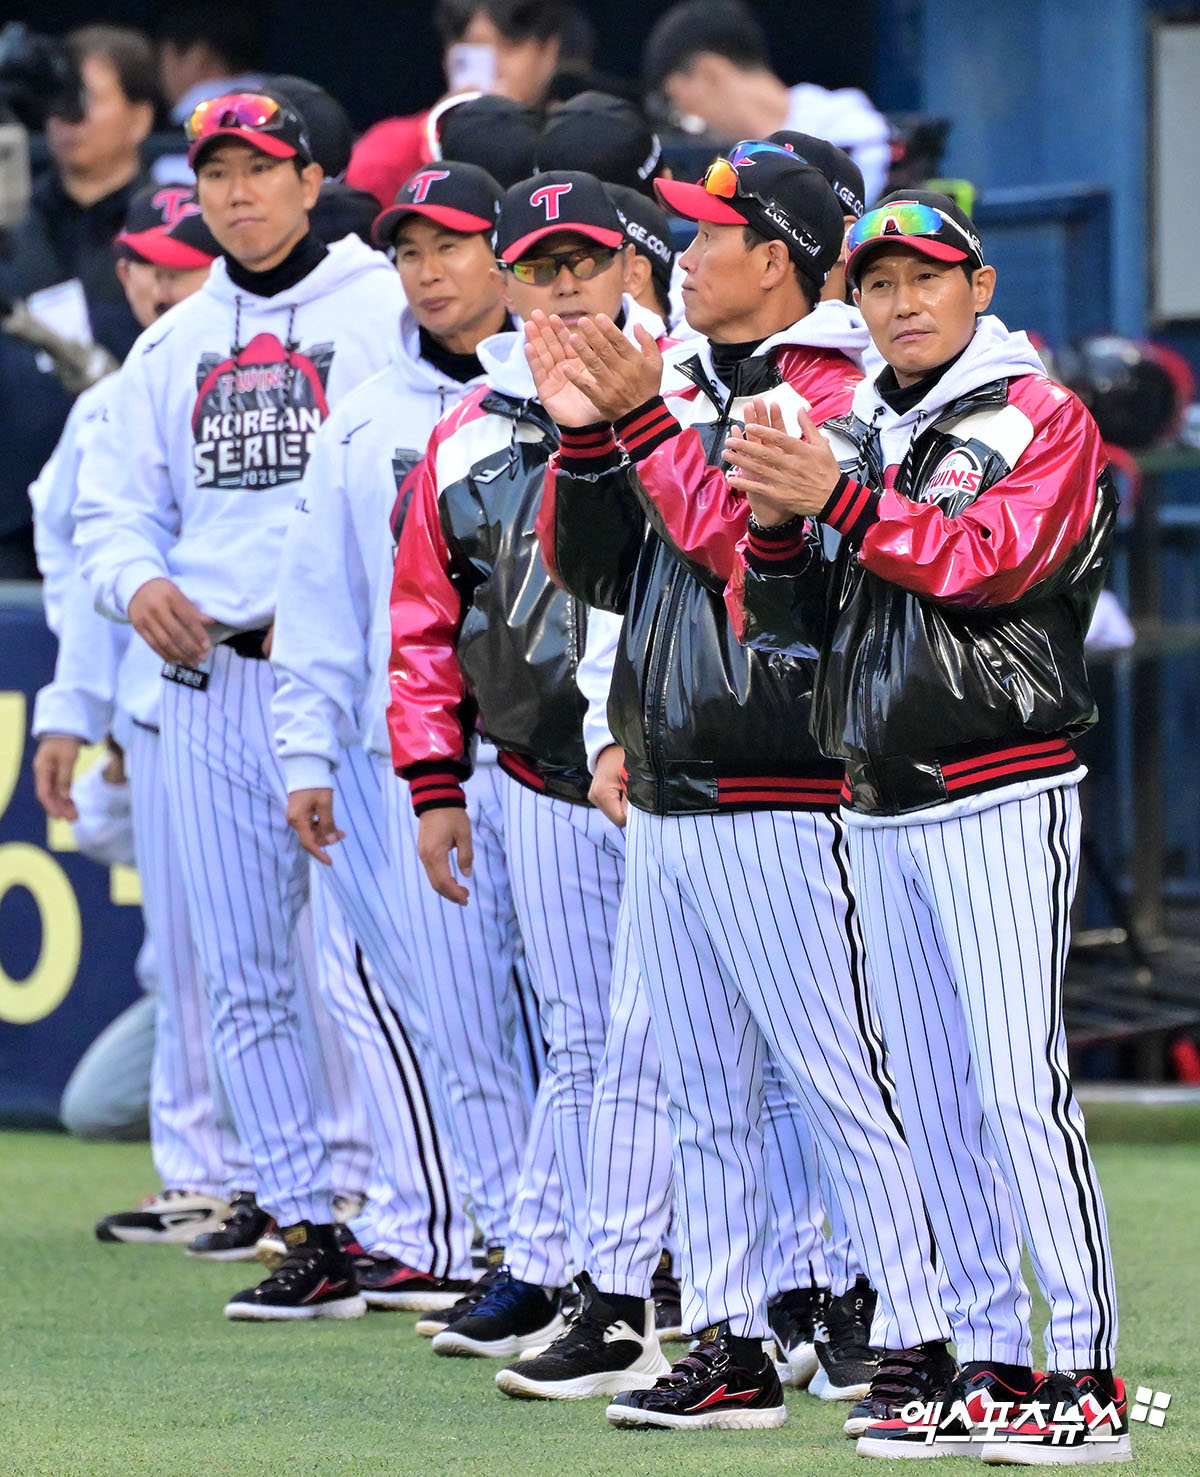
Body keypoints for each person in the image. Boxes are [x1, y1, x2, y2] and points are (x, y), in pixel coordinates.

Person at [528, 144, 954, 1432]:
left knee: (839, 1074)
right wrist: (586, 438)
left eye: (709, 235)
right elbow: (602, 574)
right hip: (672, 777)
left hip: (788, 778)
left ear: (775, 258)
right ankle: (727, 1340)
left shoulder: (833, 385)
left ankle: (924, 1334)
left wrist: (645, 418)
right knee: (700, 1088)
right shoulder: (695, 376)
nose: (682, 253)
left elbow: (744, 557)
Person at [725, 191, 1128, 1461]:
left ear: (981, 285)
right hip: (881, 792)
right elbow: (786, 626)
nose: (901, 303)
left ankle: (1090, 1374)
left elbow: (990, 562)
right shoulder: (863, 426)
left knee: (1017, 1086)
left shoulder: (1040, 415)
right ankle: (987, 1355)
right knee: (932, 1099)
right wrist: (781, 530)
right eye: (879, 283)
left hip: (1000, 779)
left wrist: (833, 502)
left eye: (925, 280)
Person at [74, 90, 431, 1321]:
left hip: (345, 679)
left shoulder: (385, 304)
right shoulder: (172, 342)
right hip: (211, 678)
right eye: (216, 169)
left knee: (394, 963)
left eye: (260, 168)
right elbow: (109, 507)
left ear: (311, 177)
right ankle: (308, 1218)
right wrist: (140, 581)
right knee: (241, 974)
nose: (235, 191)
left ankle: (429, 1214)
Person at [388, 171, 673, 1366]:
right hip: (542, 771)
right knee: (583, 1034)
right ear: (508, 281)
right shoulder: (466, 426)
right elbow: (422, 618)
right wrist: (434, 780)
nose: (563, 286)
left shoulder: (690, 385)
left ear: (628, 265)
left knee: (712, 1042)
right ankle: (564, 1265)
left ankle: (785, 1285)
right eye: (541, 266)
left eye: (584, 261)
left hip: (682, 773)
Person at [271, 160, 545, 1310]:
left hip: (559, 758)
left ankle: (612, 1248)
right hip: (419, 757)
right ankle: (501, 1240)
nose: (429, 272)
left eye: (451, 245)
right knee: (464, 1026)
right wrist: (304, 750)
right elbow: (324, 598)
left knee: (578, 1024)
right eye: (408, 252)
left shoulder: (561, 385)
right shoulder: (365, 412)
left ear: (504, 253)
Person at [0, 25, 159, 576]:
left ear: (140, 118)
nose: (69, 118)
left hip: (131, 508)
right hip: (11, 510)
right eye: (59, 100)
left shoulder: (170, 234)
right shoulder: (12, 222)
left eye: (87, 100)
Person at [643, 1, 890, 205]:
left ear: (710, 73)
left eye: (678, 100)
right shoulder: (729, 166)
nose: (685, 115)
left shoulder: (848, 126)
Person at [346, 0, 566, 209]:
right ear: (447, 55)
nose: (495, 67)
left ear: (548, 53)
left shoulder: (570, 145)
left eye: (509, 47)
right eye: (475, 50)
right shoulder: (389, 152)